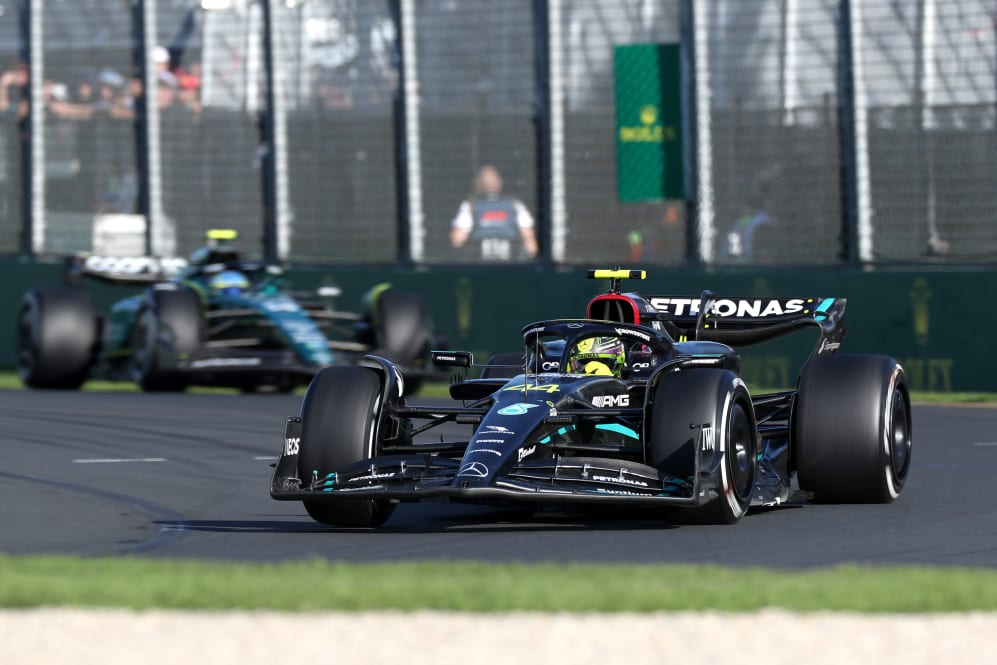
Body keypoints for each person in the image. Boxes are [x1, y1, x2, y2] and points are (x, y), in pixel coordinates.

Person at [450, 164, 538, 261]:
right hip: (509, 265)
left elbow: (458, 240)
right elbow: (530, 243)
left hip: (483, 266)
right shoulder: (514, 204)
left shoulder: (471, 205)